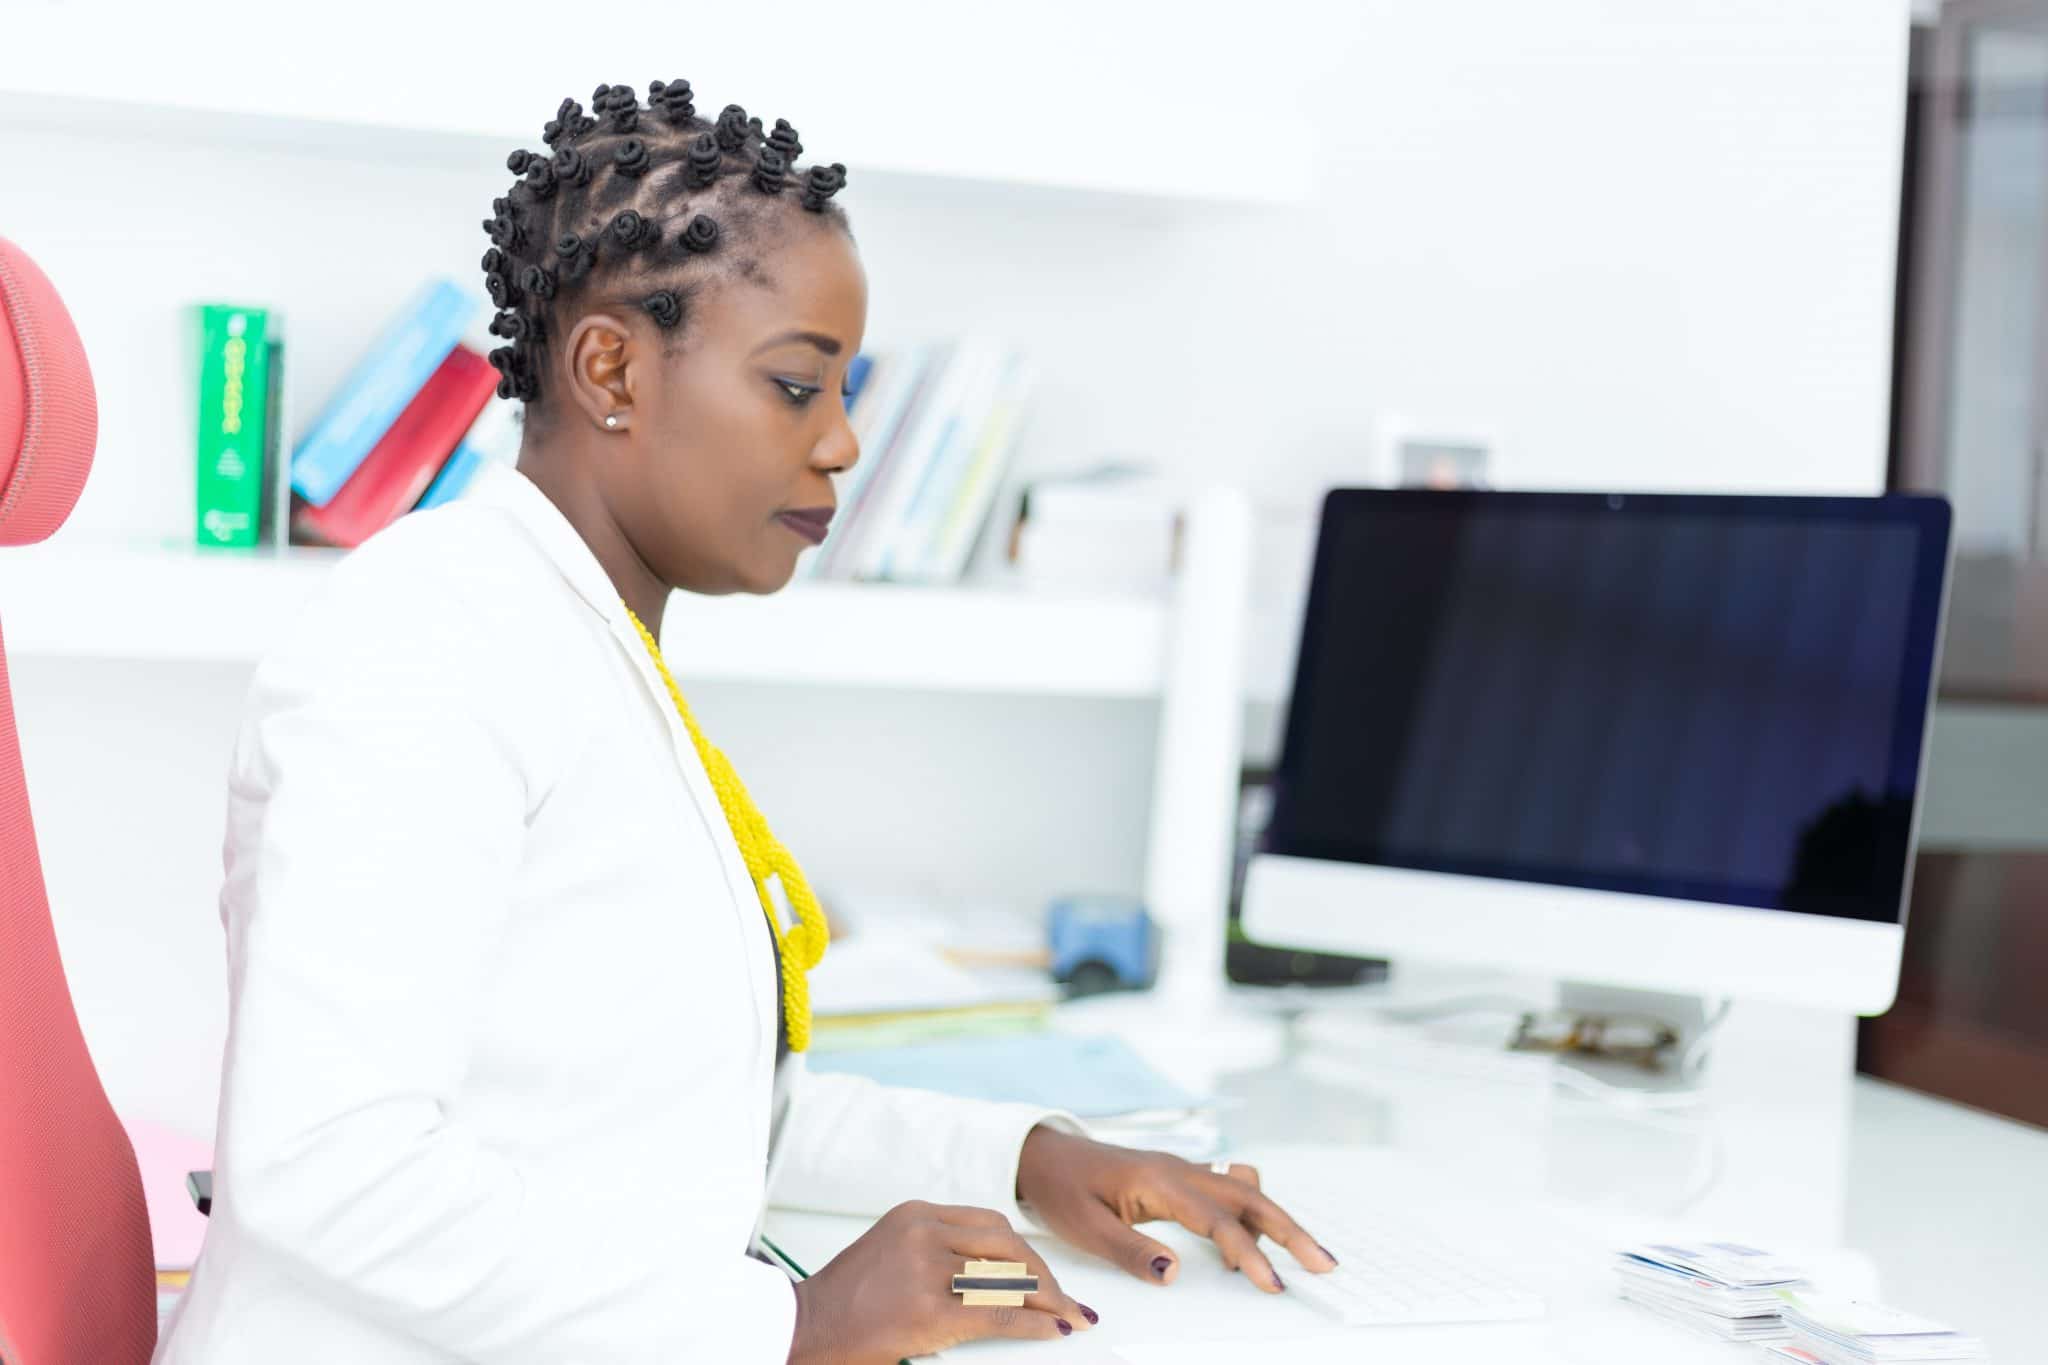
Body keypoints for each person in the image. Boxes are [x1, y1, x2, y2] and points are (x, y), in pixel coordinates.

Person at [152, 79, 1335, 1365]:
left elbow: (673, 1117)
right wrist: (791, 1322)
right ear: (611, 367)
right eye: (794, 387)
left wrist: (1027, 1160)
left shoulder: (581, 642)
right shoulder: (430, 642)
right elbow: (329, 1172)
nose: (841, 446)